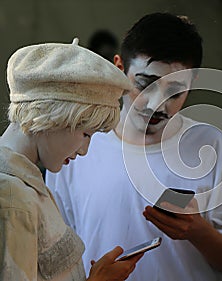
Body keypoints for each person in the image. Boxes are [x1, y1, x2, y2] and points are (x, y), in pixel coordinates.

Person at [46, 12, 222, 281]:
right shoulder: (73, 146)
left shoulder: (210, 146)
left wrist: (197, 231)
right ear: (119, 68)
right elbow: (50, 256)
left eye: (175, 92)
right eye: (144, 84)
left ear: (194, 82)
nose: (158, 103)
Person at [0, 38, 143, 280]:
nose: (84, 150)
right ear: (54, 115)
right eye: (86, 134)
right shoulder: (15, 198)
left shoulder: (27, 185)